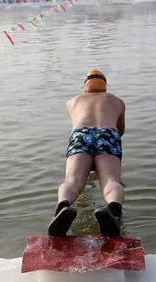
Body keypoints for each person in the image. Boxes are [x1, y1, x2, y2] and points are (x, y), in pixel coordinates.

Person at [49, 69, 127, 238]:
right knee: (111, 181)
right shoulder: (117, 102)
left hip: (81, 134)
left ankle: (62, 207)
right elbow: (120, 131)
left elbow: (77, 122)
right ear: (105, 87)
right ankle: (112, 210)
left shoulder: (72, 102)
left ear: (85, 87)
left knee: (73, 180)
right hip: (107, 134)